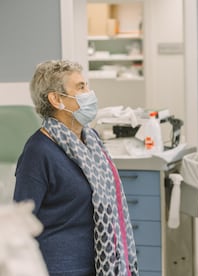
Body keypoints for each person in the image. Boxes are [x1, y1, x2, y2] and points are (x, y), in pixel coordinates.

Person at [13, 60, 139, 276]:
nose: (90, 93)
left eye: (87, 86)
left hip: (100, 265)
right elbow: (20, 224)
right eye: (81, 87)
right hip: (59, 267)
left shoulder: (92, 141)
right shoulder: (39, 151)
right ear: (56, 99)